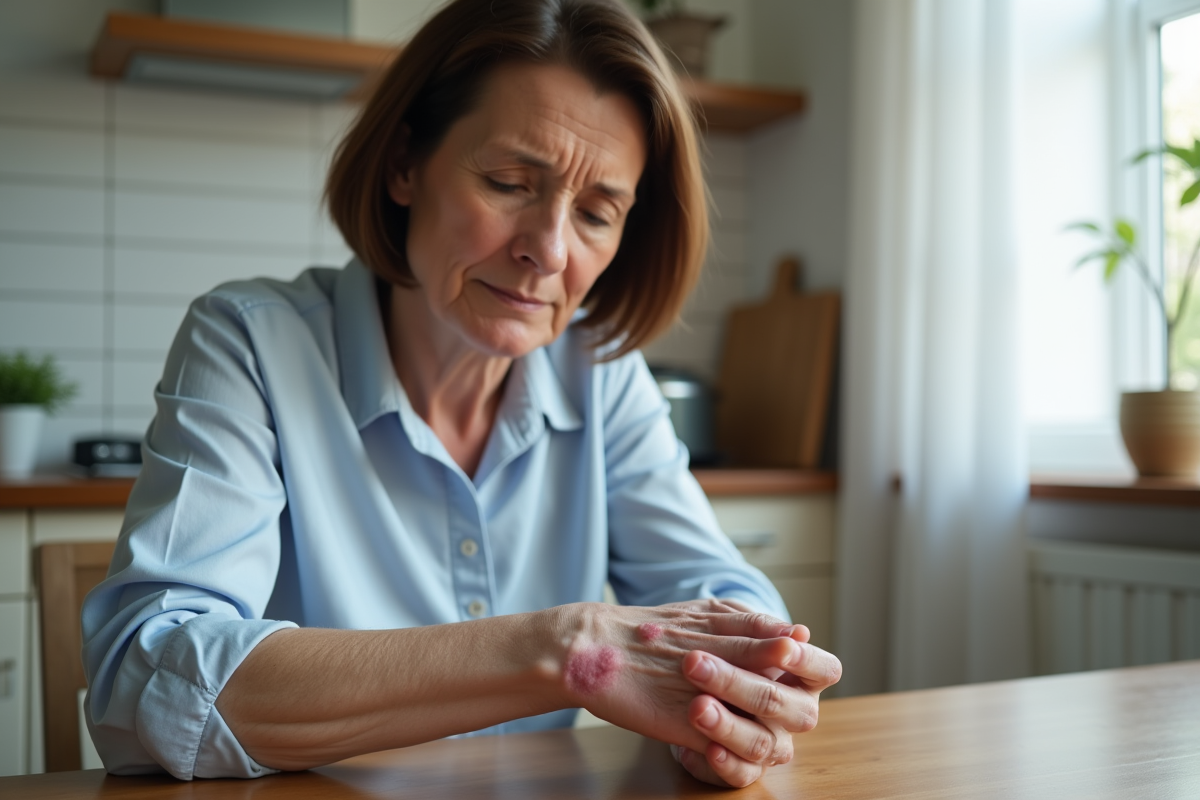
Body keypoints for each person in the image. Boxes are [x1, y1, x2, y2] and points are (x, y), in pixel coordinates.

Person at [80, 0, 841, 789]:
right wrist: (562, 650)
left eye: (595, 213)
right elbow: (147, 681)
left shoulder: (602, 371)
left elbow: (725, 599)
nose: (547, 251)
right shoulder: (250, 342)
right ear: (405, 162)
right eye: (510, 182)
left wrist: (737, 696)